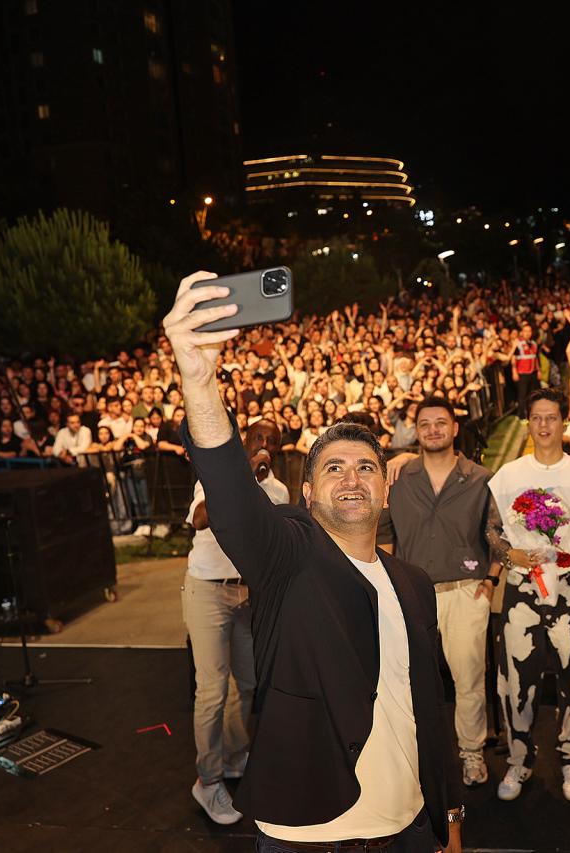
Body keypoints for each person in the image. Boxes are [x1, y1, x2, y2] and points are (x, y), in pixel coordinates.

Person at [163, 273, 460, 853]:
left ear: (385, 492)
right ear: (306, 495)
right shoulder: (289, 556)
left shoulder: (414, 584)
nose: (352, 477)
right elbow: (230, 492)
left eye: (366, 467)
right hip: (308, 835)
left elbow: (430, 706)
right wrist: (199, 381)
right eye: (333, 468)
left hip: (409, 828)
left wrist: (449, 816)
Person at [485, 387, 570, 803]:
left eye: (551, 417)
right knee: (516, 680)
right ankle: (519, 758)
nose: (543, 425)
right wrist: (510, 554)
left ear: (564, 422)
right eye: (536, 417)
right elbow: (491, 530)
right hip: (522, 588)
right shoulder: (508, 475)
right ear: (528, 422)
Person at [377, 396, 497, 789]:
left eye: (440, 422)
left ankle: (472, 753)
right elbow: (385, 534)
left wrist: (491, 579)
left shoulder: (481, 478)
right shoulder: (398, 477)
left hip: (465, 593)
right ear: (416, 431)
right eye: (425, 424)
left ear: (455, 428)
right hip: (412, 595)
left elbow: (497, 533)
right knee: (408, 683)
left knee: (469, 682)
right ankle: (412, 756)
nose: (433, 430)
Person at [183, 418, 291, 825]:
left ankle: (233, 755)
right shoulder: (216, 478)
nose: (264, 444)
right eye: (258, 437)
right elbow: (199, 519)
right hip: (208, 590)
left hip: (248, 595)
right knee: (212, 689)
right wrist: (242, 479)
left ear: (277, 450)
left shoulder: (278, 491)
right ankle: (208, 780)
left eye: (271, 441)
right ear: (245, 441)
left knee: (246, 684)